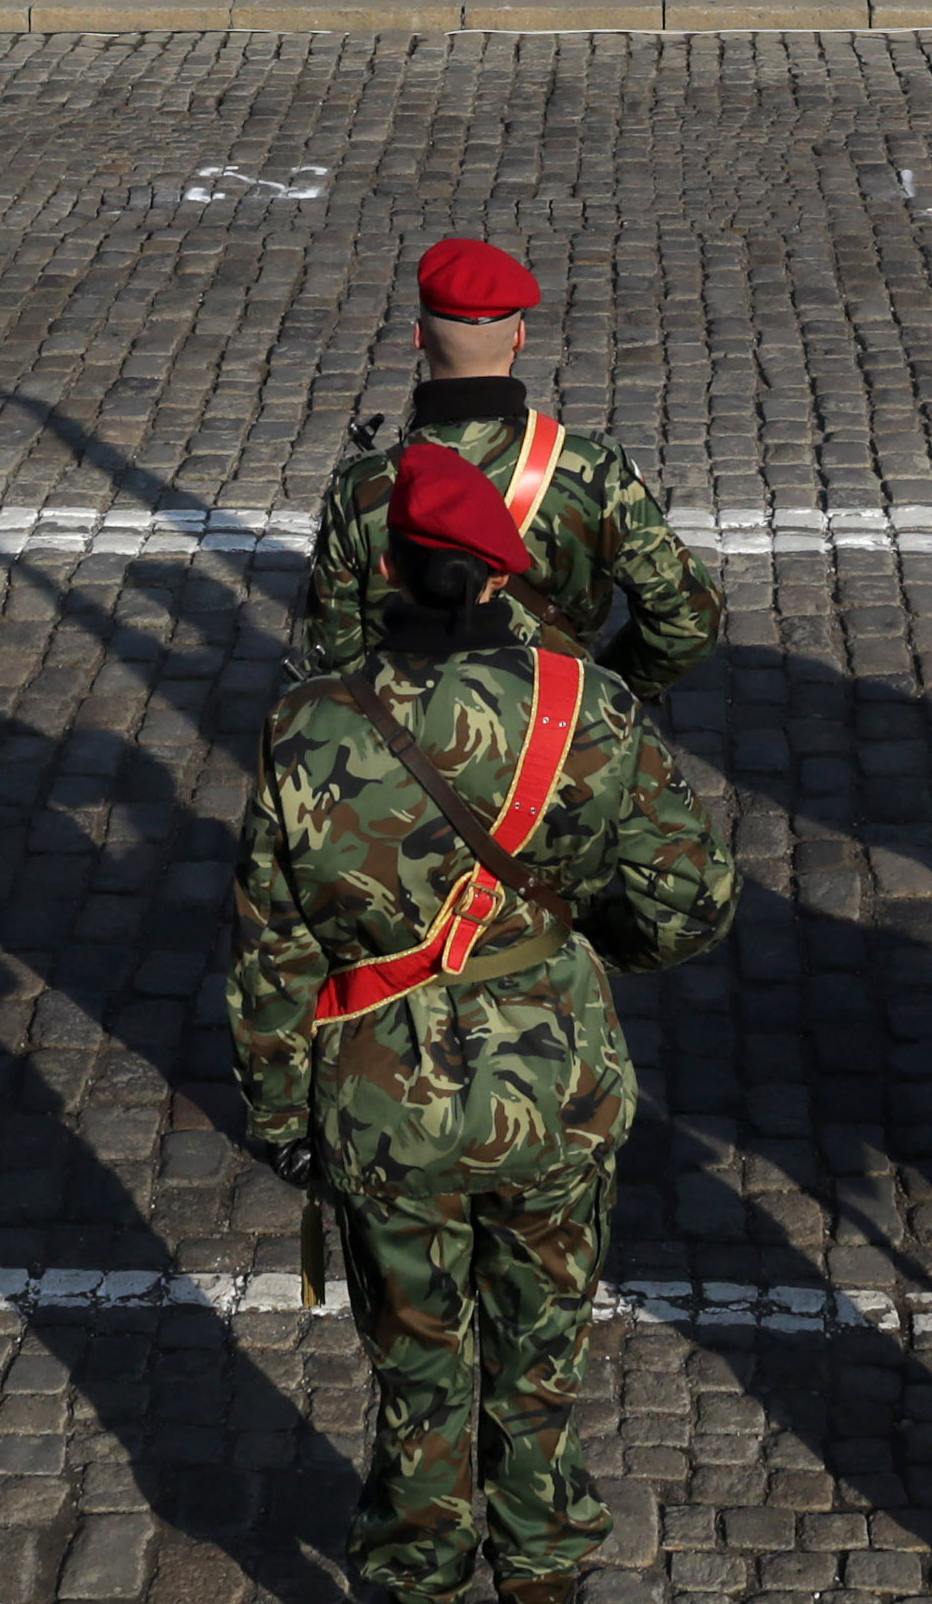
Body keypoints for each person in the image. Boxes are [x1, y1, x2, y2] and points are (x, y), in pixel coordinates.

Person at [226, 434, 731, 1604]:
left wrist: (280, 1112)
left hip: (379, 1101)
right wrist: (581, 940)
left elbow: (269, 949)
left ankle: (419, 1567)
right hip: (558, 1087)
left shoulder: (308, 724)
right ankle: (542, 1564)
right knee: (541, 1361)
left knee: (414, 1375)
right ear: (503, 574)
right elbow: (690, 904)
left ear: (390, 566)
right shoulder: (586, 709)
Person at [298, 238, 721, 693]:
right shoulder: (595, 470)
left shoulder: (362, 486)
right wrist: (607, 689)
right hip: (554, 728)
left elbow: (333, 654)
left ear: (418, 336)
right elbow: (689, 622)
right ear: (520, 337)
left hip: (406, 738)